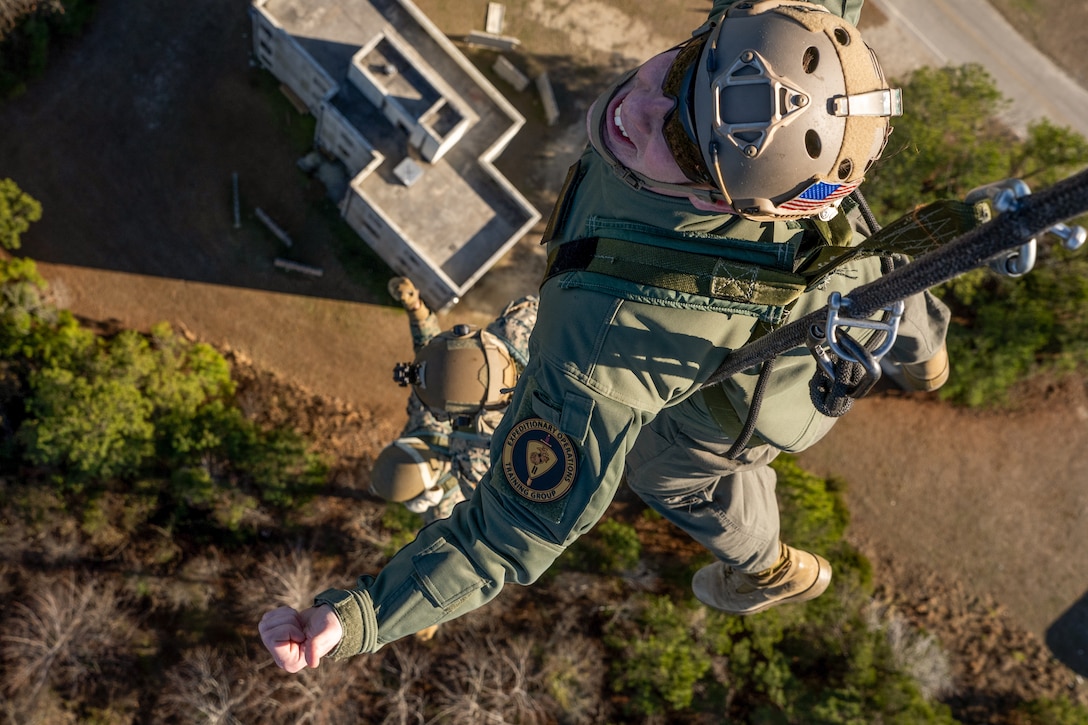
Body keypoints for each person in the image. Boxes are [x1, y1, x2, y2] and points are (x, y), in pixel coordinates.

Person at [259, 0, 952, 672]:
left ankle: (767, 565)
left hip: (760, 396)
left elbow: (505, 531)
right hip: (850, 267)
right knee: (885, 275)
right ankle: (926, 354)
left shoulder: (601, 348)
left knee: (661, 469)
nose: (639, 111)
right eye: (683, 72)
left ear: (724, 199)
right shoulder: (759, 64)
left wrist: (361, 618)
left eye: (681, 145)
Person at [367, 277, 538, 639]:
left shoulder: (475, 453)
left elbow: (453, 560)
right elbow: (431, 356)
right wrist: (416, 309)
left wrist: (424, 616)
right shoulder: (440, 420)